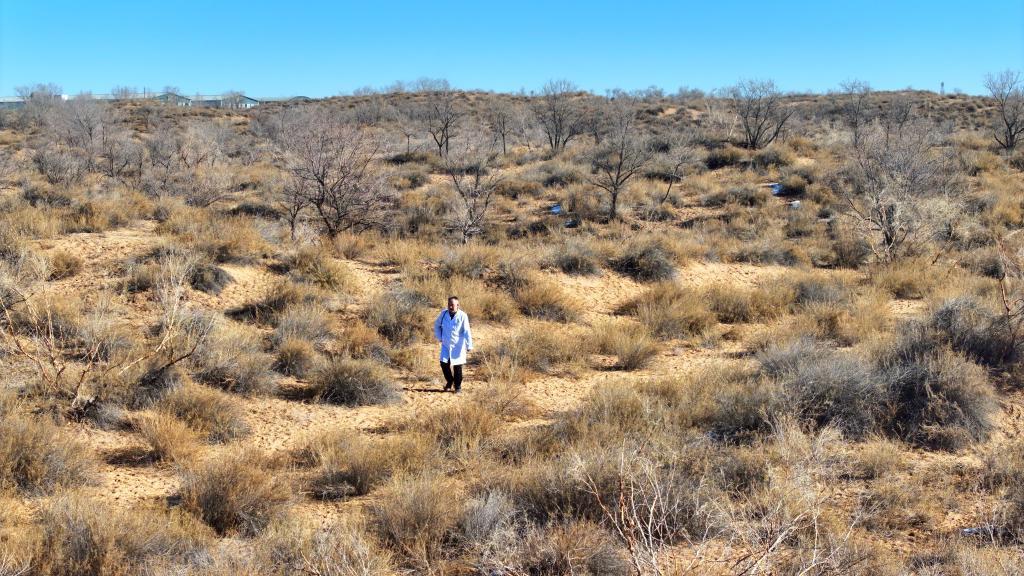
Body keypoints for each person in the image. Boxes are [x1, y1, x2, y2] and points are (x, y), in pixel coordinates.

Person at [433, 295, 473, 393]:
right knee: (444, 363)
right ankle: (450, 381)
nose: (450, 307)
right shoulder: (443, 314)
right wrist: (440, 337)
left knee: (457, 366)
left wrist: (469, 345)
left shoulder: (463, 315)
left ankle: (458, 386)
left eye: (452, 305)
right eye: (449, 304)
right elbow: (436, 325)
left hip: (458, 345)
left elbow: (467, 330)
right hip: (446, 345)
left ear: (458, 305)